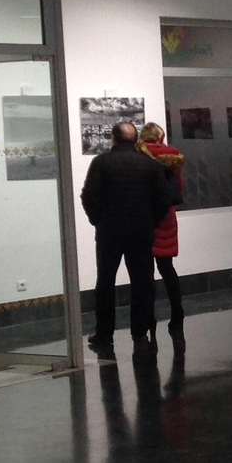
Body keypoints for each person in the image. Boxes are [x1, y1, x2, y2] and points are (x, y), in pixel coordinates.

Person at [80, 121, 174, 356]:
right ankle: (140, 332)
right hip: (141, 232)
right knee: (142, 283)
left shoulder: (101, 163)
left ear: (113, 138)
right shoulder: (150, 165)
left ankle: (104, 332)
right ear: (135, 140)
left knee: (105, 283)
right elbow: (163, 200)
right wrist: (150, 222)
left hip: (109, 233)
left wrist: (97, 220)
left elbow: (88, 195)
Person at [138, 122, 186, 342]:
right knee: (167, 268)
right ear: (159, 137)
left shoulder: (140, 156)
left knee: (146, 271)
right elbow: (180, 189)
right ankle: (177, 312)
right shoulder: (172, 157)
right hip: (166, 216)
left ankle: (149, 317)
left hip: (146, 216)